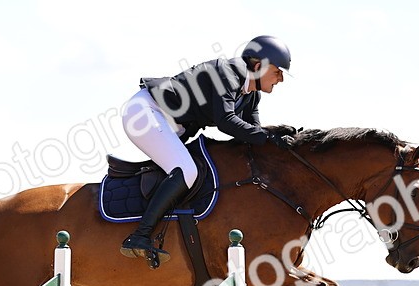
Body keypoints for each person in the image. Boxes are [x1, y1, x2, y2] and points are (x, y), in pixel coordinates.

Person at [119, 35, 294, 265]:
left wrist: (276, 137)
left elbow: (253, 134)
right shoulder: (227, 73)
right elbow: (226, 121)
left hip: (170, 124)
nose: (280, 79)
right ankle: (139, 236)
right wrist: (267, 136)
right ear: (259, 65)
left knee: (193, 170)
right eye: (278, 71)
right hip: (145, 112)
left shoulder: (251, 96)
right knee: (187, 170)